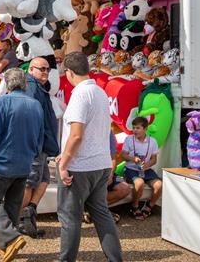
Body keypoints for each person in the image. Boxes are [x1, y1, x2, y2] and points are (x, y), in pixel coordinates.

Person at [57, 52, 123, 262]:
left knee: (70, 217)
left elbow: (76, 134)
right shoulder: (100, 92)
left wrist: (64, 163)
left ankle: (66, 260)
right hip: (101, 163)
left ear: (69, 72)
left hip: (80, 165)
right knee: (102, 215)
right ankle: (115, 258)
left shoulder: (79, 94)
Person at [0, 68, 44, 262]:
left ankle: (11, 237)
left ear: (8, 84)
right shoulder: (35, 105)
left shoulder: (3, 101)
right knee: (12, 204)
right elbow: (39, 135)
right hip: (25, 162)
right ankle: (6, 245)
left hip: (3, 161)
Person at [20, 57, 60, 238]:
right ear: (31, 70)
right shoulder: (32, 87)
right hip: (35, 145)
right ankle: (18, 221)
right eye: (41, 69)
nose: (45, 72)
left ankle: (30, 211)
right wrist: (35, 143)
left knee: (43, 179)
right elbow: (30, 117)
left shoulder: (39, 87)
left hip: (41, 144)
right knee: (29, 183)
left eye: (47, 69)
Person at [122, 117, 162, 220]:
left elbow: (154, 159)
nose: (134, 130)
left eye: (138, 128)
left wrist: (147, 165)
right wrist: (133, 158)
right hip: (131, 169)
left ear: (145, 129)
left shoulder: (152, 141)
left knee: (159, 185)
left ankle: (149, 206)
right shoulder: (129, 139)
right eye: (134, 128)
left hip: (146, 169)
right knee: (139, 183)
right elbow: (124, 155)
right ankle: (135, 207)